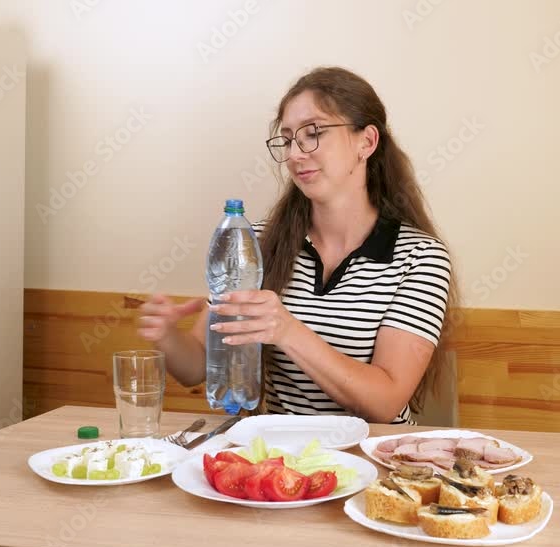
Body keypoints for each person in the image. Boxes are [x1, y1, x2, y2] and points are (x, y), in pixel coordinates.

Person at [137, 66, 457, 424]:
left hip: (373, 455)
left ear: (366, 142)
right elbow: (197, 367)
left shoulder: (421, 257)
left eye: (313, 133)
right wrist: (167, 336)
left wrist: (287, 331)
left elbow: (384, 403)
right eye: (288, 139)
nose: (294, 154)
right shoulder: (257, 242)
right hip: (278, 453)